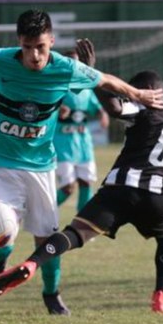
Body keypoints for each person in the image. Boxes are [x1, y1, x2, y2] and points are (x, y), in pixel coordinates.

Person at [0, 9, 163, 316]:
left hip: (41, 166)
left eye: (41, 47)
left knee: (47, 237)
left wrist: (138, 93)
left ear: (51, 41)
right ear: (19, 42)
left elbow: (107, 81)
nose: (34, 55)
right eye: (27, 47)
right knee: (0, 224)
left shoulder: (65, 68)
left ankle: (52, 295)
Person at [0, 67, 163, 315]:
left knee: (73, 234)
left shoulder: (141, 108)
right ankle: (161, 298)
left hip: (118, 190)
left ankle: (33, 263)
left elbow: (115, 108)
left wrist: (94, 76)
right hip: (158, 196)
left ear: (146, 93)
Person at [54, 50, 109, 212]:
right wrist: (56, 109)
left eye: (77, 64)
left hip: (83, 145)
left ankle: (83, 223)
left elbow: (97, 108)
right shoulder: (56, 87)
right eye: (70, 63)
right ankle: (38, 211)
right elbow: (41, 109)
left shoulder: (86, 89)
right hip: (62, 146)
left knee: (86, 183)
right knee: (68, 187)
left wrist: (102, 115)